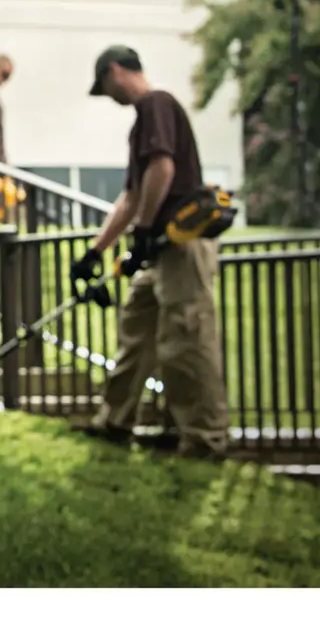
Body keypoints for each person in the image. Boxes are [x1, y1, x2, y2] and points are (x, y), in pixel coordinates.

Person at [69, 45, 229, 459]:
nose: (110, 97)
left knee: (187, 339)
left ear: (115, 71)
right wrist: (95, 251)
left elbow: (163, 170)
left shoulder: (156, 104)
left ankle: (204, 440)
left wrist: (142, 230)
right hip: (157, 249)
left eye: (106, 87)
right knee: (137, 331)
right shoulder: (144, 119)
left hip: (181, 244)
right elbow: (131, 195)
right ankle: (114, 422)